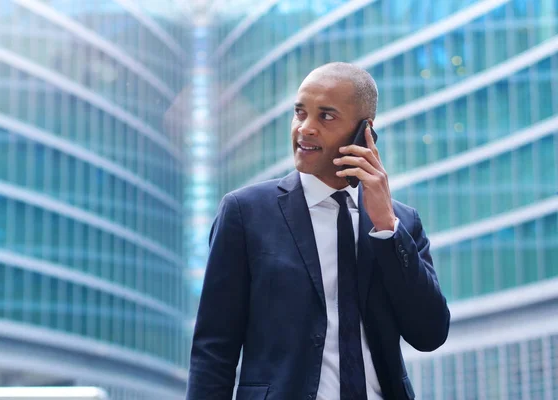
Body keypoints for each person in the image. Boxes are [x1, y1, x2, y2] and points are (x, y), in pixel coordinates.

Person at [186, 62, 450, 400]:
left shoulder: (401, 223)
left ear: (364, 131)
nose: (305, 129)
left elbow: (429, 334)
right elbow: (213, 349)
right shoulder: (245, 213)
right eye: (300, 113)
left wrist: (386, 228)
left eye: (326, 116)